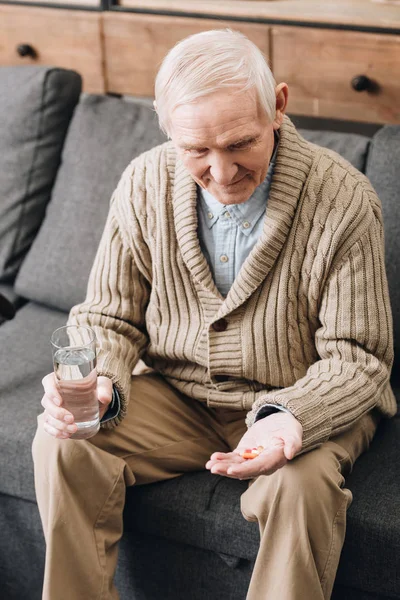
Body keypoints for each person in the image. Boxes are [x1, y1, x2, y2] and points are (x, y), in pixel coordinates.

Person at [32, 29, 396, 600]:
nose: (221, 173)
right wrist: (100, 381)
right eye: (197, 150)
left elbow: (360, 358)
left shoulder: (343, 200)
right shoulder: (143, 182)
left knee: (302, 488)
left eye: (240, 144)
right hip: (179, 397)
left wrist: (290, 417)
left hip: (301, 401)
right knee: (63, 441)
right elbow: (107, 314)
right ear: (164, 123)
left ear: (277, 105)